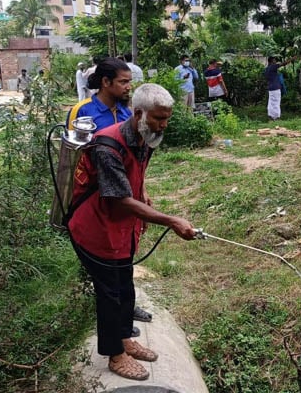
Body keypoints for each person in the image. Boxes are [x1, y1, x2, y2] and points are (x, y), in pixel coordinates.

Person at [68, 83, 201, 381]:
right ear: (139, 113)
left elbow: (132, 176)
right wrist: (171, 220)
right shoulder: (106, 145)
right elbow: (118, 199)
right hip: (95, 229)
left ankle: (125, 337)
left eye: (166, 118)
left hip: (121, 229)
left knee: (126, 285)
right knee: (109, 293)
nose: (163, 125)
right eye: (158, 118)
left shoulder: (144, 137)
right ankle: (115, 354)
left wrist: (143, 189)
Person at [265, 56, 294, 120]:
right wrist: (291, 59)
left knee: (271, 102)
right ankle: (277, 117)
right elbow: (283, 64)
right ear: (272, 61)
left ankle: (271, 116)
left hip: (270, 88)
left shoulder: (267, 69)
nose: (276, 61)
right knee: (276, 102)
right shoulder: (273, 66)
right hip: (275, 88)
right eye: (275, 60)